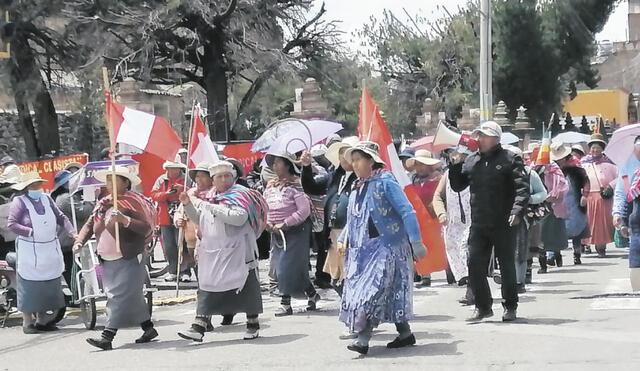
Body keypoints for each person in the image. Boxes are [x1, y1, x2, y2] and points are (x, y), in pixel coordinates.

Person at [336, 141, 426, 355]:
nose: (355, 164)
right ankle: (405, 334)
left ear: (371, 160)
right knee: (390, 292)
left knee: (372, 292)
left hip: (388, 248)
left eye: (358, 159)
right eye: (353, 160)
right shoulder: (358, 186)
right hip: (362, 251)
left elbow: (407, 211)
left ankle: (363, 339)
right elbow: (355, 217)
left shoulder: (386, 182)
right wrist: (343, 237)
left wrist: (416, 241)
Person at [177, 161, 268, 342]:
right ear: (213, 180)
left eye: (227, 176)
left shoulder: (239, 194)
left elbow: (239, 218)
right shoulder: (209, 197)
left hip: (239, 251)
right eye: (219, 177)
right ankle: (198, 326)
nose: (224, 180)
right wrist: (188, 205)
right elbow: (200, 219)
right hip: (213, 251)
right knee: (208, 285)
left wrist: (207, 206)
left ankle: (252, 324)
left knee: (246, 285)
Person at [449, 121, 529, 322]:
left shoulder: (511, 159)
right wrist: (456, 165)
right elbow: (458, 185)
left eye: (484, 135)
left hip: (504, 222)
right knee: (474, 263)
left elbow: (522, 188)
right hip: (479, 223)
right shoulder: (472, 161)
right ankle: (483, 306)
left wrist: (517, 210)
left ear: (495, 138)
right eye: (479, 135)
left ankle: (510, 305)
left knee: (506, 266)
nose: (480, 139)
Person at [75, 165, 158, 350]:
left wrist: (125, 220)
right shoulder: (104, 202)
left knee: (117, 297)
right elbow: (90, 224)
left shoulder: (133, 201)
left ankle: (107, 336)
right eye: (108, 180)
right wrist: (80, 241)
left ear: (125, 182)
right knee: (131, 296)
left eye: (114, 180)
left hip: (129, 256)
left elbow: (145, 228)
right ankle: (148, 328)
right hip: (107, 258)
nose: (109, 184)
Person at [7, 173, 75, 334]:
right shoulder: (20, 202)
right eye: (32, 186)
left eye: (38, 184)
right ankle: (27, 322)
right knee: (30, 288)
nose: (36, 188)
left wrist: (72, 232)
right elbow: (12, 224)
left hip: (50, 249)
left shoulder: (47, 199)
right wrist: (30, 231)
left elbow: (61, 217)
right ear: (25, 188)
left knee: (50, 286)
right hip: (30, 251)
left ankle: (44, 321)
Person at [263, 150, 320, 316]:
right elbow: (265, 206)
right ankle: (312, 294)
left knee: (285, 267)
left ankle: (285, 303)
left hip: (296, 231)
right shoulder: (270, 185)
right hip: (276, 232)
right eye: (273, 163)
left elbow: (303, 211)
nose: (274, 166)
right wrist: (267, 222)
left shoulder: (297, 185)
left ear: (288, 164)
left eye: (278, 162)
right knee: (294, 268)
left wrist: (285, 223)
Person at [300, 137, 359, 295]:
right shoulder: (334, 177)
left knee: (350, 275)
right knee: (336, 278)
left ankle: (354, 306)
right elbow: (311, 187)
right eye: (341, 153)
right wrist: (306, 167)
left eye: (346, 153)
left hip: (353, 235)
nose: (343, 157)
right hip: (333, 234)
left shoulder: (362, 179)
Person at [504, 145, 547, 293]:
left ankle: (519, 281)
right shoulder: (500, 172)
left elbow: (542, 193)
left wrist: (528, 199)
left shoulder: (530, 174)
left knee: (520, 250)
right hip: (501, 215)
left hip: (523, 217)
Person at [433, 150, 473, 303]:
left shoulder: (476, 171)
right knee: (455, 250)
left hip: (473, 221)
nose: (459, 157)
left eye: (464, 154)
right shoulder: (448, 174)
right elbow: (438, 196)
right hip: (453, 223)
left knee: (468, 252)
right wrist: (441, 213)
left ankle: (473, 290)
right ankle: (470, 288)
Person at [51, 170, 95, 304]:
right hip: (66, 241)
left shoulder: (67, 197)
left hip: (68, 240)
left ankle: (77, 296)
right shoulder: (64, 198)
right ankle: (76, 297)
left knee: (75, 269)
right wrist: (91, 199)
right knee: (73, 270)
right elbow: (84, 212)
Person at [405, 149, 443, 288]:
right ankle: (425, 275)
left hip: (434, 216)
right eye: (418, 164)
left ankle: (450, 269)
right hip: (418, 217)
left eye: (423, 164)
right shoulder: (412, 180)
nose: (420, 167)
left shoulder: (439, 178)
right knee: (422, 245)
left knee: (439, 245)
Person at [550, 143, 590, 265]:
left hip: (574, 200)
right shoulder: (551, 168)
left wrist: (585, 195)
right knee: (555, 228)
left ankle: (577, 254)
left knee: (576, 227)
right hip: (557, 200)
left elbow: (586, 181)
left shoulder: (576, 167)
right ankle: (554, 255)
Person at [151, 159, 189, 282]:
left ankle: (185, 272)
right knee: (169, 246)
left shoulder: (186, 178)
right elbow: (154, 195)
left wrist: (182, 189)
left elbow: (193, 192)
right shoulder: (161, 180)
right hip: (165, 216)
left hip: (183, 214)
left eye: (175, 168)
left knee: (182, 243)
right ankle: (172, 271)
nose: (173, 170)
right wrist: (166, 194)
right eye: (170, 168)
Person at [581, 134, 617, 258]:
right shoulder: (584, 164)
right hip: (588, 197)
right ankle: (586, 244)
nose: (595, 150)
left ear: (602, 149)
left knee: (602, 223)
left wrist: (610, 187)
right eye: (592, 148)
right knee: (589, 222)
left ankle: (601, 246)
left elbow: (619, 178)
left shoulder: (610, 164)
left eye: (597, 148)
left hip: (603, 197)